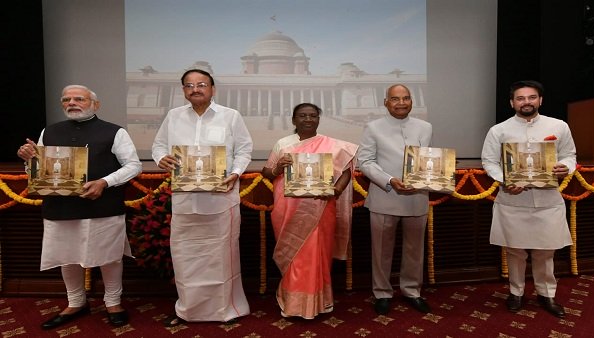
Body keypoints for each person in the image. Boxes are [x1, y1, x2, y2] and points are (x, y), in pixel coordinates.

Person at [16, 84, 142, 329]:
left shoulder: (115, 132)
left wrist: (105, 182)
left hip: (102, 205)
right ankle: (75, 302)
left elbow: (133, 166)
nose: (71, 103)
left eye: (78, 99)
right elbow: (41, 172)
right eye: (66, 99)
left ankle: (113, 302)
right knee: (67, 256)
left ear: (95, 104)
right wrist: (30, 160)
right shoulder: (49, 131)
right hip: (60, 207)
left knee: (110, 257)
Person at [152, 69, 253, 326]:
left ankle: (225, 310)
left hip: (221, 200)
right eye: (189, 85)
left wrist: (235, 172)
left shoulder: (230, 116)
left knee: (222, 256)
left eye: (201, 84)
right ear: (184, 90)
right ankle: (187, 310)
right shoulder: (173, 116)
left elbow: (244, 149)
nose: (195, 89)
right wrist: (160, 158)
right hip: (185, 201)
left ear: (212, 89)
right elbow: (158, 146)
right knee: (186, 257)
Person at [481, 80, 576, 318]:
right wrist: (505, 179)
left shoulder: (559, 126)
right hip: (513, 198)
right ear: (512, 102)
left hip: (547, 200)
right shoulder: (499, 130)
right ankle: (516, 292)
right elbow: (489, 162)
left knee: (546, 251)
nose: (527, 102)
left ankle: (547, 295)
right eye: (521, 98)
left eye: (532, 97)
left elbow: (569, 155)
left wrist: (565, 167)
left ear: (540, 100)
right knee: (515, 251)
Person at [261, 103, 358, 319]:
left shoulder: (331, 144)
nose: (308, 119)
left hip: (321, 206)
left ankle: (318, 303)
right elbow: (267, 172)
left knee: (317, 253)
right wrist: (277, 169)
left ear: (318, 119)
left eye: (313, 116)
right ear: (293, 120)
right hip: (288, 209)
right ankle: (293, 303)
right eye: (302, 116)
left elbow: (346, 170)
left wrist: (336, 189)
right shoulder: (283, 144)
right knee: (294, 255)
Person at [357, 84, 433, 315]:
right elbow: (365, 161)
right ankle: (382, 292)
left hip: (416, 197)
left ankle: (412, 291)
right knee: (381, 250)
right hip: (384, 196)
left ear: (412, 101)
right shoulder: (373, 127)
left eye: (406, 98)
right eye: (395, 98)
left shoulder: (425, 126)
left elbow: (425, 160)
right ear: (386, 102)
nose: (401, 103)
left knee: (414, 249)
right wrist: (390, 180)